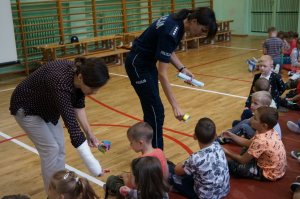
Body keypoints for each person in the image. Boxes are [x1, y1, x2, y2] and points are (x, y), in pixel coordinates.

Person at [9, 57, 110, 193]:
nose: (95, 92)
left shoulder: (79, 76)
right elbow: (73, 128)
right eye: (92, 88)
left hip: (47, 107)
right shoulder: (60, 82)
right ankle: (52, 194)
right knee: (51, 149)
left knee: (60, 147)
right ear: (80, 77)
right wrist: (94, 167)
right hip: (26, 107)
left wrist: (89, 133)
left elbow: (78, 106)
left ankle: (60, 187)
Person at [124, 7, 217, 149]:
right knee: (155, 111)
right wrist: (175, 106)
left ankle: (152, 153)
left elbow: (168, 50)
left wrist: (182, 68)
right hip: (138, 65)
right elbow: (162, 74)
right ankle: (155, 156)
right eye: (203, 30)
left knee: (154, 110)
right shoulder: (172, 30)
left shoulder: (179, 22)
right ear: (194, 21)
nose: (202, 35)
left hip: (147, 64)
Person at [170, 118, 230, 199]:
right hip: (224, 191)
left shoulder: (196, 158)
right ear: (215, 135)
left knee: (171, 173)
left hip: (205, 196)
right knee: (191, 172)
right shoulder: (218, 146)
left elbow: (177, 171)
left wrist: (182, 164)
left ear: (194, 136)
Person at [105, 122, 168, 198]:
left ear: (140, 143)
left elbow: (130, 185)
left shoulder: (139, 162)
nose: (130, 145)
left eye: (131, 142)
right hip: (160, 189)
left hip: (143, 193)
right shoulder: (159, 151)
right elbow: (166, 174)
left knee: (112, 179)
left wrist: (125, 177)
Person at [222, 107, 287, 181]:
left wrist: (226, 151)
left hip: (269, 174)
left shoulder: (261, 140)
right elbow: (249, 143)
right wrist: (232, 136)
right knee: (247, 148)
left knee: (231, 164)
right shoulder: (269, 131)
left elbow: (242, 160)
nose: (251, 118)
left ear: (264, 125)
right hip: (275, 168)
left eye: (255, 118)